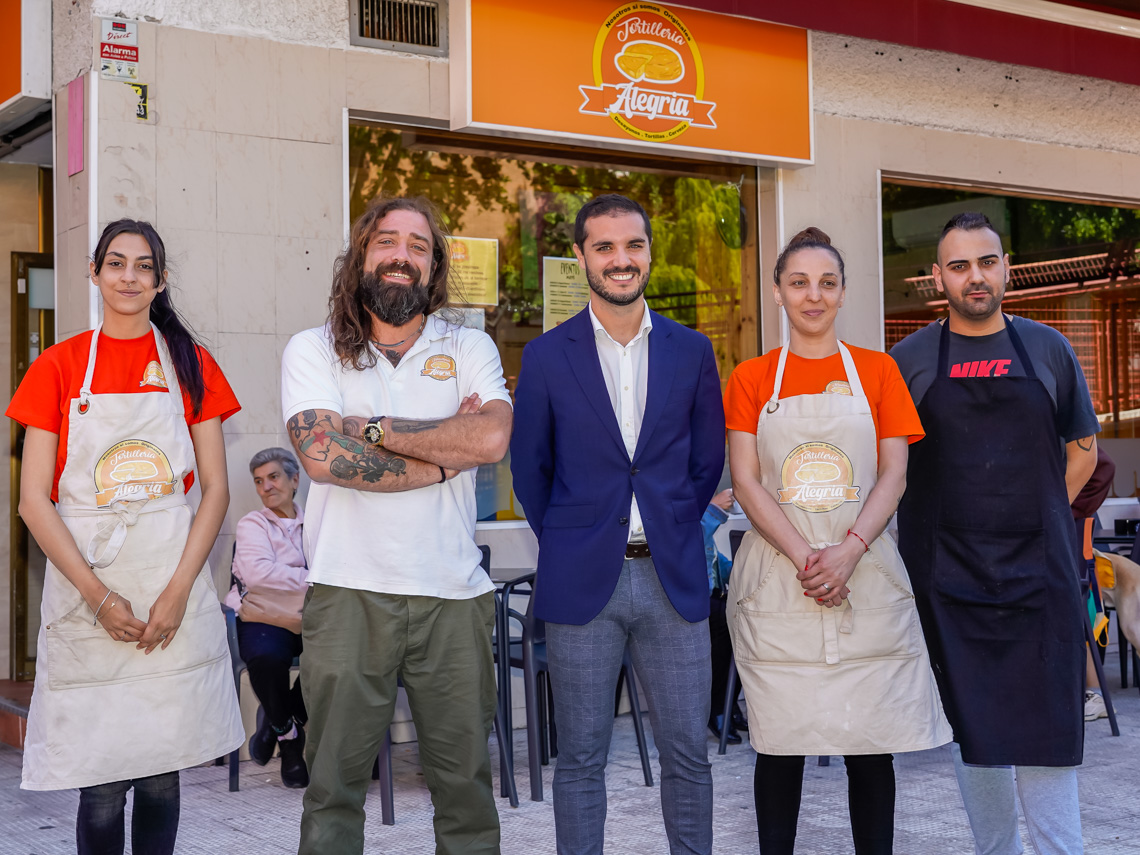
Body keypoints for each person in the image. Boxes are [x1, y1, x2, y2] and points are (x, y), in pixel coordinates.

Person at [281, 196, 512, 855]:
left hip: (453, 596)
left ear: (435, 265)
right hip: (346, 593)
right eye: (388, 241)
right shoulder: (313, 348)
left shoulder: (468, 344)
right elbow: (324, 456)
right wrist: (444, 455)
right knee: (333, 790)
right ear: (362, 255)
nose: (402, 255)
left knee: (466, 792)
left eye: (418, 245)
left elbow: (492, 437)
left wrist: (373, 431)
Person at [8, 219, 244, 854]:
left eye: (144, 266)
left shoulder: (191, 366)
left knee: (164, 775)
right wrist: (99, 597)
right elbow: (33, 501)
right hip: (91, 588)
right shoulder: (57, 367)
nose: (129, 277)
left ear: (161, 281)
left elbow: (215, 490)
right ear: (94, 272)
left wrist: (176, 593)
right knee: (103, 780)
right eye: (116, 263)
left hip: (172, 583)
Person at [724, 227, 951, 855]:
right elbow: (745, 481)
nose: (813, 296)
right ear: (778, 292)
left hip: (864, 573)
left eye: (826, 283)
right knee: (780, 745)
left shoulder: (879, 372)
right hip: (780, 581)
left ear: (843, 292)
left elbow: (895, 472)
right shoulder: (750, 377)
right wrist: (806, 557)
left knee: (868, 743)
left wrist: (849, 549)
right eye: (799, 283)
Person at [510, 193, 725, 855]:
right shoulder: (547, 356)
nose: (620, 259)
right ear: (580, 257)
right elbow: (531, 472)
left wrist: (670, 526)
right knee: (579, 758)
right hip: (583, 586)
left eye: (632, 244)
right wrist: (577, 540)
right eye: (603, 246)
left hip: (673, 580)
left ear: (650, 253)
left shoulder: (692, 351)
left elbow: (707, 458)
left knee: (688, 752)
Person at [892, 212, 1099, 855]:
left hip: (1041, 574)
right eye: (958, 266)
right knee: (974, 730)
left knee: (1048, 725)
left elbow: (1083, 450)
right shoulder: (909, 360)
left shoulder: (1048, 349)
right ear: (937, 277)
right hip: (948, 578)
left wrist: (1032, 515)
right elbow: (888, 467)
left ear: (1006, 267)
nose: (973, 277)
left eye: (985, 262)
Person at [223, 447, 309, 788]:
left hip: (308, 617)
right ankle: (289, 741)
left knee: (336, 656)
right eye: (259, 481)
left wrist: (288, 575)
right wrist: (311, 577)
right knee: (265, 657)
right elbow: (258, 576)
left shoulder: (316, 523)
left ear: (294, 479)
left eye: (273, 477)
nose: (266, 487)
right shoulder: (252, 524)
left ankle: (277, 720)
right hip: (262, 616)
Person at [703, 488, 745, 744]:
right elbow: (690, 538)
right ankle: (717, 706)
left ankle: (729, 701)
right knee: (723, 623)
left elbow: (714, 560)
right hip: (690, 598)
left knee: (749, 625)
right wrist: (714, 508)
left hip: (714, 593)